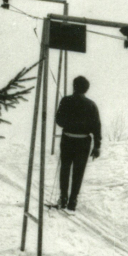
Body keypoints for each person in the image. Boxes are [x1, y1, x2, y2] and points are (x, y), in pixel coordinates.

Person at [54, 75, 101, 212]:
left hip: (68, 139)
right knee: (78, 172)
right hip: (83, 142)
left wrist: (69, 123)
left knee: (65, 169)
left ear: (74, 86)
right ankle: (73, 200)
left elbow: (59, 121)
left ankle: (63, 198)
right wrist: (97, 146)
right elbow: (96, 127)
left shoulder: (66, 101)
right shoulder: (91, 105)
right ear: (86, 89)